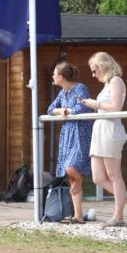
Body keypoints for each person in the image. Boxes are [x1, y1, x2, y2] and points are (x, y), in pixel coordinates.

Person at [82, 52, 127, 226]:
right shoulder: (107, 83)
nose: (93, 75)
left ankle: (118, 216)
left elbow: (116, 107)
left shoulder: (116, 81)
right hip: (100, 129)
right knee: (98, 178)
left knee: (114, 175)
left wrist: (95, 104)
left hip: (110, 130)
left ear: (103, 66)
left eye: (94, 70)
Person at [47, 62, 94, 223]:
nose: (53, 76)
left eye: (54, 73)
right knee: (71, 178)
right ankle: (78, 216)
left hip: (80, 134)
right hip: (68, 135)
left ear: (60, 77)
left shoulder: (80, 88)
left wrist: (68, 111)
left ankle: (80, 180)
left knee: (71, 169)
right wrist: (63, 111)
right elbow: (50, 109)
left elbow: (82, 108)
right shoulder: (63, 93)